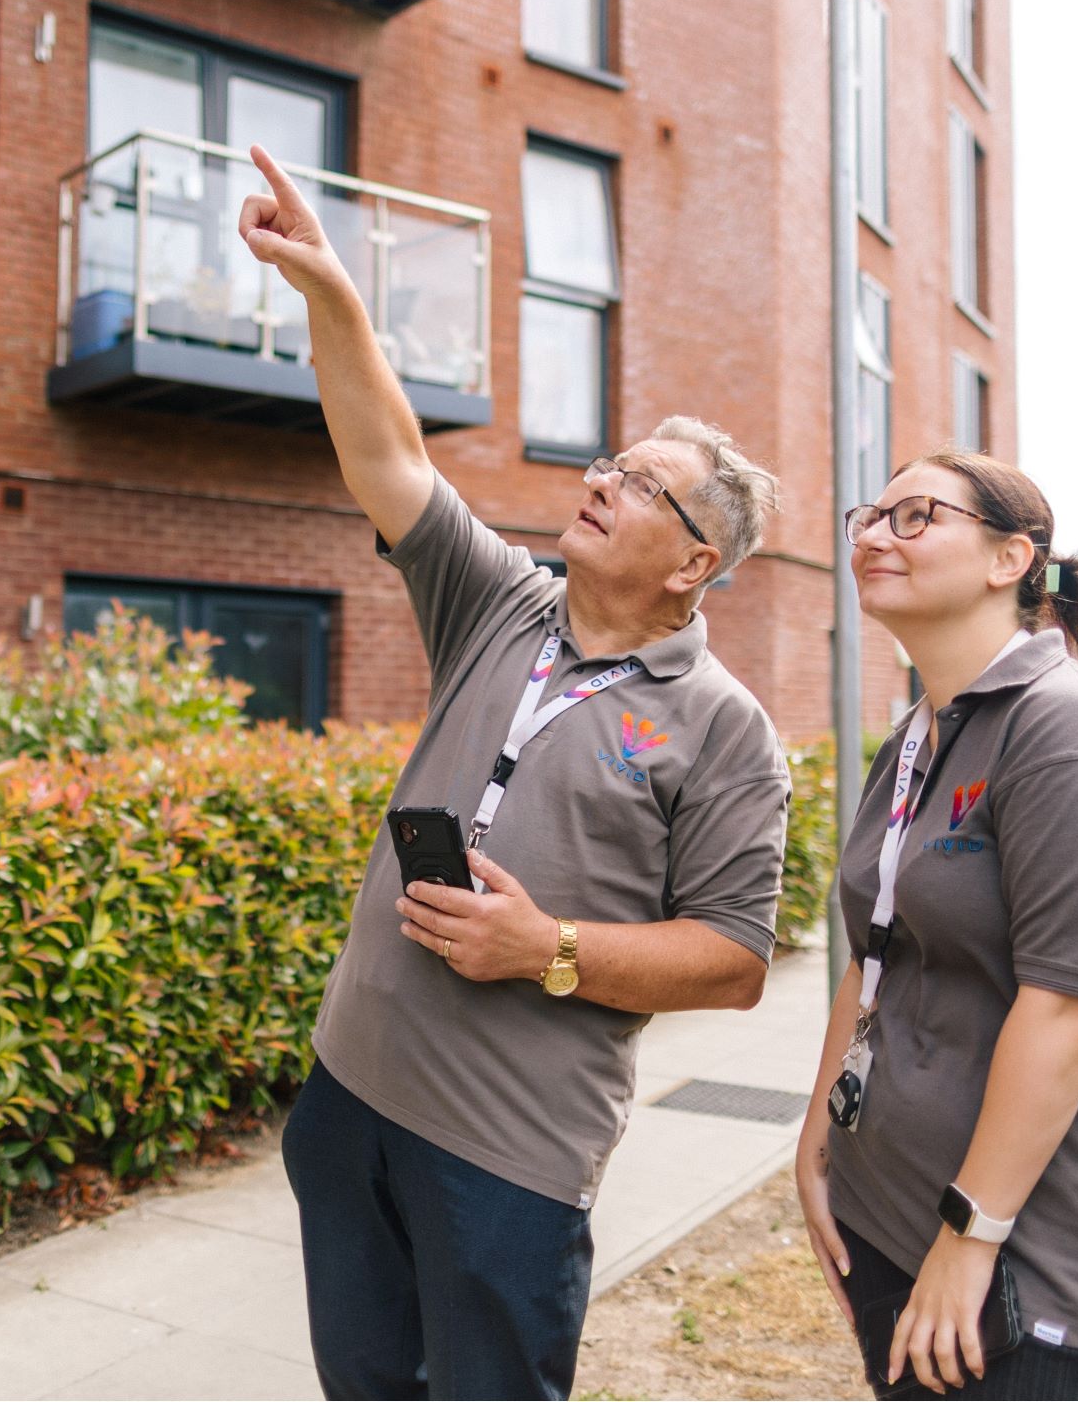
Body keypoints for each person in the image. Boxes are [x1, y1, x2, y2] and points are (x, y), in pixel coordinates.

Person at [236, 147, 790, 1401]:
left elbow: (735, 958)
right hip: (349, 1101)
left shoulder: (723, 725)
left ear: (693, 564)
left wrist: (549, 949)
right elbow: (389, 456)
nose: (602, 482)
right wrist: (332, 294)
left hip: (507, 1159)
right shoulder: (499, 600)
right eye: (611, 463)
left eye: (643, 486)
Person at [796, 448, 1078, 1400]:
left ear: (1011, 559)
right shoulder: (920, 735)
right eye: (869, 517)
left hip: (1023, 1253)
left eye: (916, 516)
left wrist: (971, 1237)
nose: (874, 536)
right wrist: (817, 1142)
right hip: (891, 1212)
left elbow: (1072, 1012)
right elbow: (875, 949)